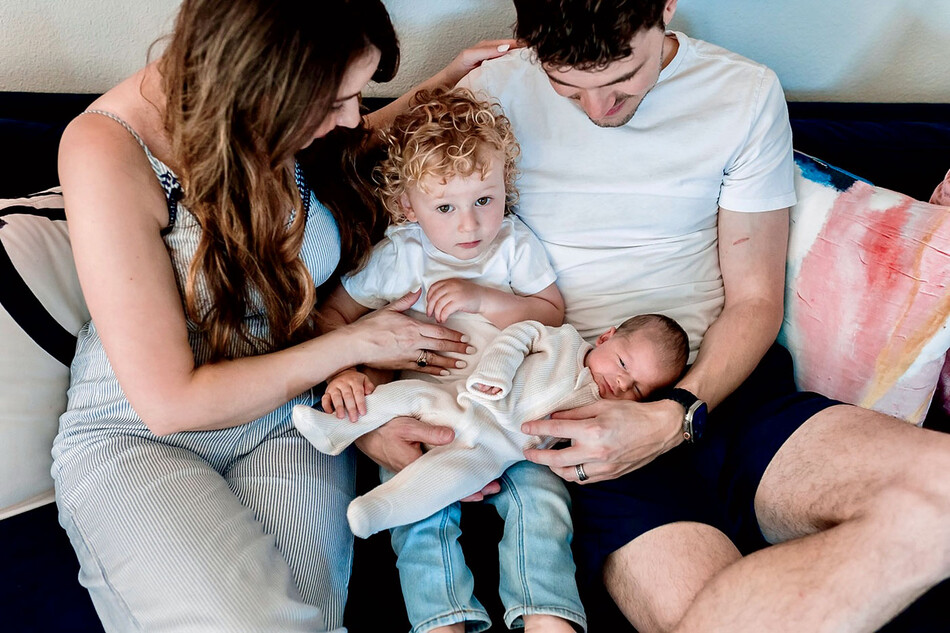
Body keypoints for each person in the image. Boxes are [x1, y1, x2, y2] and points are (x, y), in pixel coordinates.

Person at [442, 1, 950, 632]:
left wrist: (676, 413)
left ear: (666, 8)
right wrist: (437, 85)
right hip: (587, 419)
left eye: (623, 81)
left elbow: (755, 301)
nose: (601, 111)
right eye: (569, 89)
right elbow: (340, 173)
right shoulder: (491, 92)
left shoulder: (742, 93)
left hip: (727, 390)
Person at [52, 1, 516, 631]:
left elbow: (353, 142)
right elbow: (170, 403)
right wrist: (355, 343)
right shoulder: (109, 147)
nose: (352, 118)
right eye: (335, 101)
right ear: (264, 82)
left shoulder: (280, 128)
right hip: (141, 434)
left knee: (313, 621)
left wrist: (443, 84)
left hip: (284, 418)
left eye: (357, 96)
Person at [302, 86, 590, 633]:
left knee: (543, 500)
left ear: (504, 185)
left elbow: (552, 312)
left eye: (484, 199)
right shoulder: (400, 256)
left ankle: (547, 614)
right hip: (428, 413)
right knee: (417, 513)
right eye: (445, 207)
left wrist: (486, 299)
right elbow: (330, 316)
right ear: (408, 206)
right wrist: (345, 371)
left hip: (509, 414)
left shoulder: (512, 244)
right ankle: (443, 619)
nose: (469, 225)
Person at [294, 313, 689, 539]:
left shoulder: (605, 412)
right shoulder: (564, 341)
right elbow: (518, 334)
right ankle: (333, 427)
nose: (621, 383)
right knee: (409, 395)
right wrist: (495, 373)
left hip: (496, 451)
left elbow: (582, 449)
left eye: (637, 388)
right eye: (622, 364)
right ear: (606, 336)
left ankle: (377, 511)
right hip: (468, 400)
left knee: (444, 480)